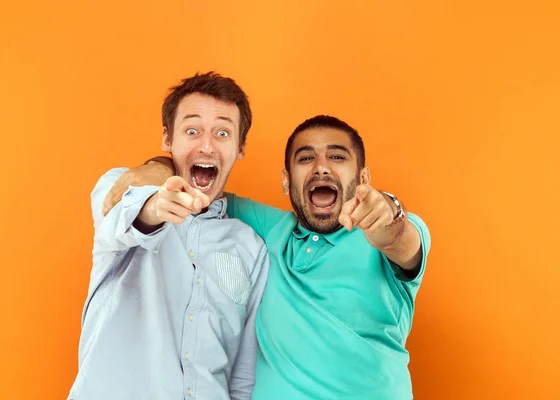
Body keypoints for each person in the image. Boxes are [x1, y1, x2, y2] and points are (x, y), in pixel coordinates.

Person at [104, 115, 431, 399]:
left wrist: (389, 212)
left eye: (337, 156)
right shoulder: (270, 228)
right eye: (306, 159)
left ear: (362, 180)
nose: (321, 167)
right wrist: (155, 168)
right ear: (287, 182)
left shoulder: (391, 234)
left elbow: (399, 236)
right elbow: (199, 192)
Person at [68, 72, 270, 400]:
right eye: (192, 130)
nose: (207, 145)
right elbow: (126, 216)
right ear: (167, 139)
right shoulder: (122, 186)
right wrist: (156, 204)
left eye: (222, 133)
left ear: (240, 147)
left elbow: (243, 373)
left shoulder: (250, 247)